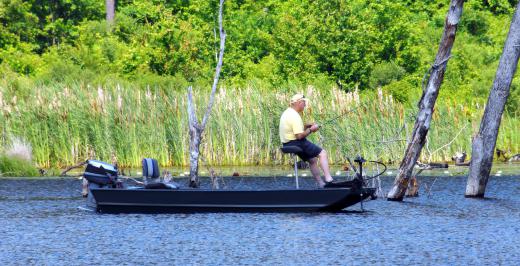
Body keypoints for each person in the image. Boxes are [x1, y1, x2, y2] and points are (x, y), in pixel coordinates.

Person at [279, 93, 335, 188]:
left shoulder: (288, 112)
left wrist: (306, 126)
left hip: (286, 143)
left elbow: (294, 130)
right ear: (299, 102)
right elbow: (299, 136)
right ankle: (329, 179)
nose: (305, 105)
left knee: (312, 160)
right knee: (322, 153)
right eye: (304, 103)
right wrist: (311, 130)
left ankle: (321, 184)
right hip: (296, 142)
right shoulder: (295, 116)